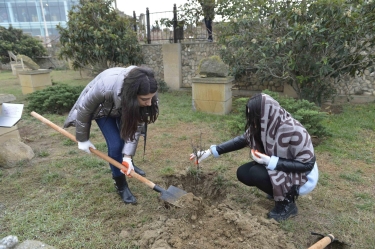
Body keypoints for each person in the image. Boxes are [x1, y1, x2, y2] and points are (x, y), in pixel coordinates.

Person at [190, 93, 318, 221]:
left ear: (267, 113)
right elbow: (242, 140)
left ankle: (287, 204)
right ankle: (276, 190)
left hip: (303, 176)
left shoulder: (294, 130)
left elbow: (307, 164)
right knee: (244, 173)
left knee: (256, 173)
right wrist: (210, 152)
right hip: (282, 166)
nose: (252, 122)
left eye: (255, 117)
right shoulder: (265, 124)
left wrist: (270, 161)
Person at [64, 66, 159, 205]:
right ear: (132, 94)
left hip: (126, 107)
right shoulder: (104, 86)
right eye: (145, 99)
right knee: (116, 145)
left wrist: (127, 157)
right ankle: (121, 184)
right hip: (102, 109)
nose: (149, 103)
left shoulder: (147, 92)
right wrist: (83, 139)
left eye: (151, 98)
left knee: (125, 140)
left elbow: (136, 128)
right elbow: (84, 109)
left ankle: (126, 163)